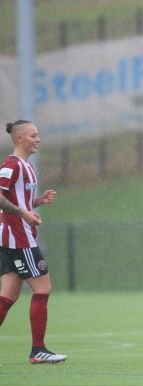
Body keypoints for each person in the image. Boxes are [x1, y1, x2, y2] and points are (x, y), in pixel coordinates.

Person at [0, 120, 67, 364]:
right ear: (19, 139)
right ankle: (38, 350)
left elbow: (17, 201)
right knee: (42, 289)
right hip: (19, 239)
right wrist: (24, 214)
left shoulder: (27, 167)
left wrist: (36, 202)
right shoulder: (11, 165)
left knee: (8, 294)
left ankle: (38, 350)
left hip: (15, 237)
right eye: (33, 135)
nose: (37, 139)